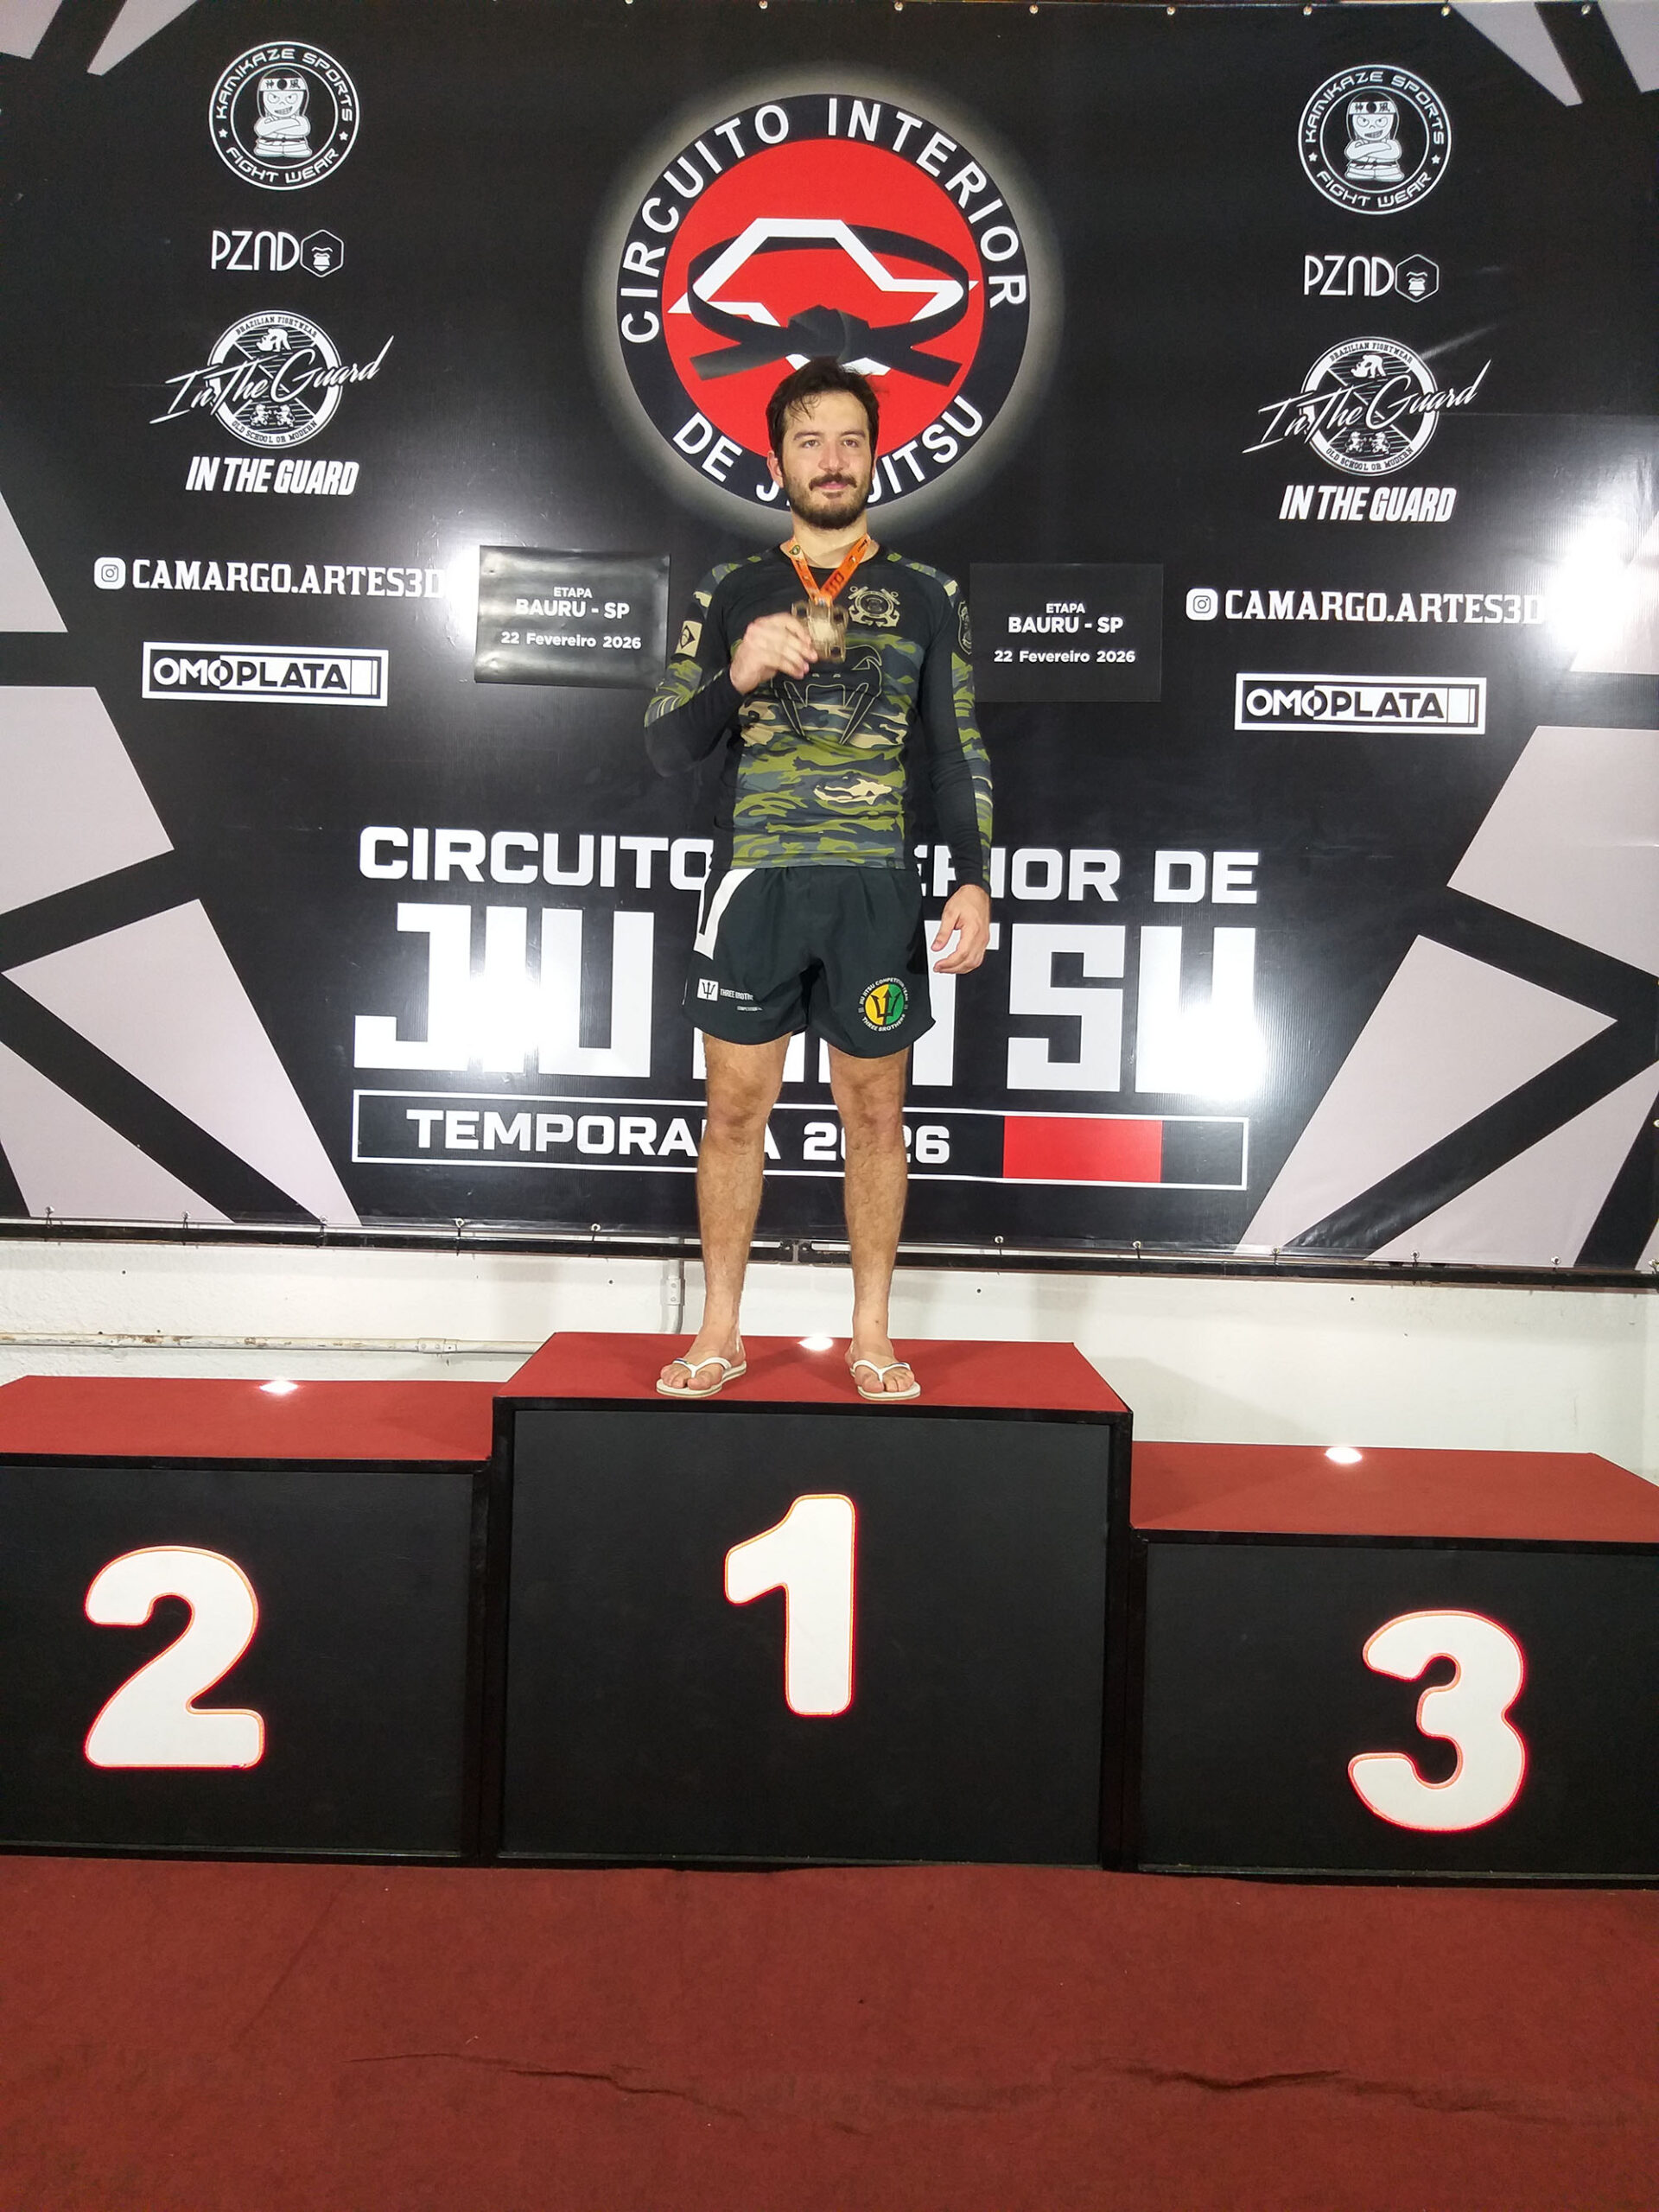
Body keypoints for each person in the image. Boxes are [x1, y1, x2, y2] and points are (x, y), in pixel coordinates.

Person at [645, 358, 992, 1402]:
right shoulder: (729, 591)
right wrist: (739, 670)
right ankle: (720, 1332)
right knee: (733, 1111)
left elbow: (955, 749)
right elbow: (665, 743)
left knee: (875, 1114)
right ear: (777, 461)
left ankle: (872, 1335)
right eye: (809, 442)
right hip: (756, 883)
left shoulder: (928, 594)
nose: (831, 461)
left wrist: (972, 877)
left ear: (875, 456)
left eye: (849, 440)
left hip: (875, 889)